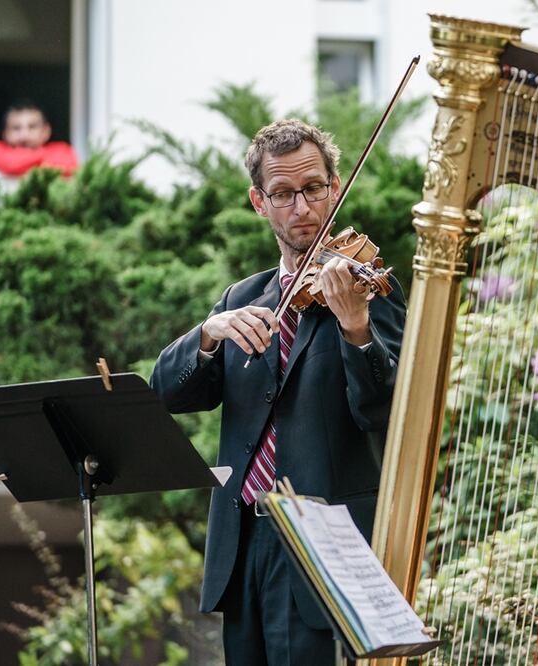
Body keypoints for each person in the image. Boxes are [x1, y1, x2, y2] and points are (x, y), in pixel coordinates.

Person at [151, 119, 405, 665]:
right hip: (243, 541)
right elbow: (165, 392)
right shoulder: (242, 297)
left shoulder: (368, 288)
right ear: (258, 202)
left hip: (322, 542)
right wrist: (207, 335)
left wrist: (356, 328)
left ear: (335, 188)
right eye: (284, 194)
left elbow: (383, 410)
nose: (303, 207)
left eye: (314, 188)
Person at [0, 101, 77, 177]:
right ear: (5, 133)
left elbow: (66, 166)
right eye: (16, 128)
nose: (24, 135)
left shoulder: (62, 149)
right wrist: (41, 161)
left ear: (46, 131)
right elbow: (11, 164)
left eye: (32, 127)